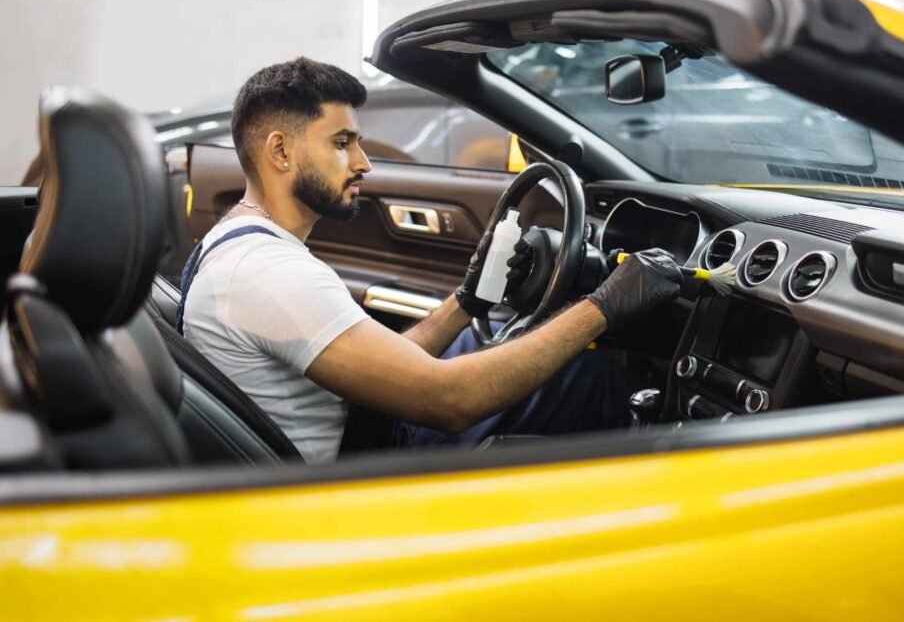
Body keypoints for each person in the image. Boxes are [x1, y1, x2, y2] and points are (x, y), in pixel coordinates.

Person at [180, 57, 682, 464]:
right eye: (341, 143)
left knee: (474, 340)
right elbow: (449, 401)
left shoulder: (237, 246)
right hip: (351, 486)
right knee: (586, 378)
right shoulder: (271, 274)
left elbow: (388, 361)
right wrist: (605, 306)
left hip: (362, 435)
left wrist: (466, 300)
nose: (363, 162)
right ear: (280, 151)